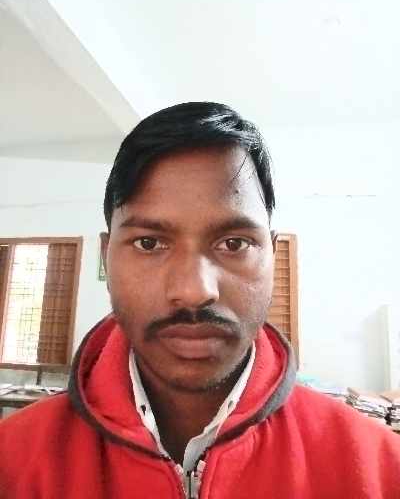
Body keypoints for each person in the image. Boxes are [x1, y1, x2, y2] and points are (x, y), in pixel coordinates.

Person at [0, 102, 399, 499]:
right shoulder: (12, 462)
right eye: (149, 243)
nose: (195, 290)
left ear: (272, 255)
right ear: (107, 258)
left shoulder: (381, 469)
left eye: (234, 243)